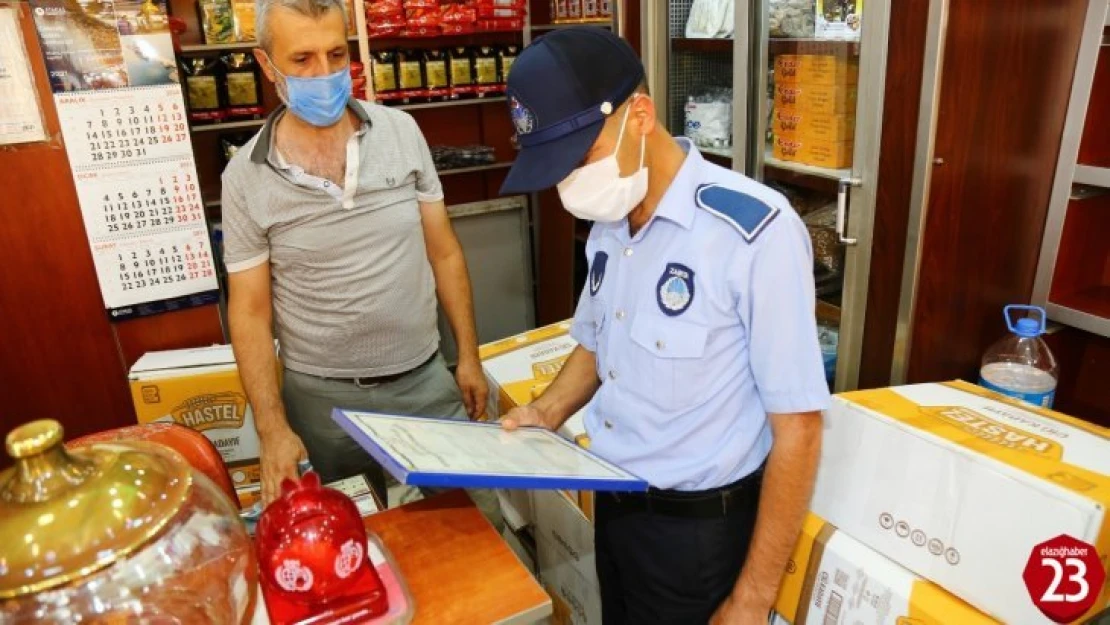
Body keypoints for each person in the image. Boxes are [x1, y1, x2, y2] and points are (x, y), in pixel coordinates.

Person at [499, 28, 829, 624]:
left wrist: (753, 598)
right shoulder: (611, 219)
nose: (569, 182)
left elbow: (800, 428)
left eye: (580, 157)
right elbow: (597, 345)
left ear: (641, 116)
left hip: (699, 536)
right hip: (615, 508)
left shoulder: (753, 232)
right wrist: (545, 412)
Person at [221, 0, 499, 526]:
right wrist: (272, 425)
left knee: (477, 526)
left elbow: (443, 251)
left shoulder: (402, 133)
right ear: (266, 64)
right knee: (349, 542)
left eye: (335, 53)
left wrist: (468, 356)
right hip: (324, 407)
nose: (323, 74)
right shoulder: (245, 177)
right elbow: (251, 311)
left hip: (425, 381)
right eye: (301, 59)